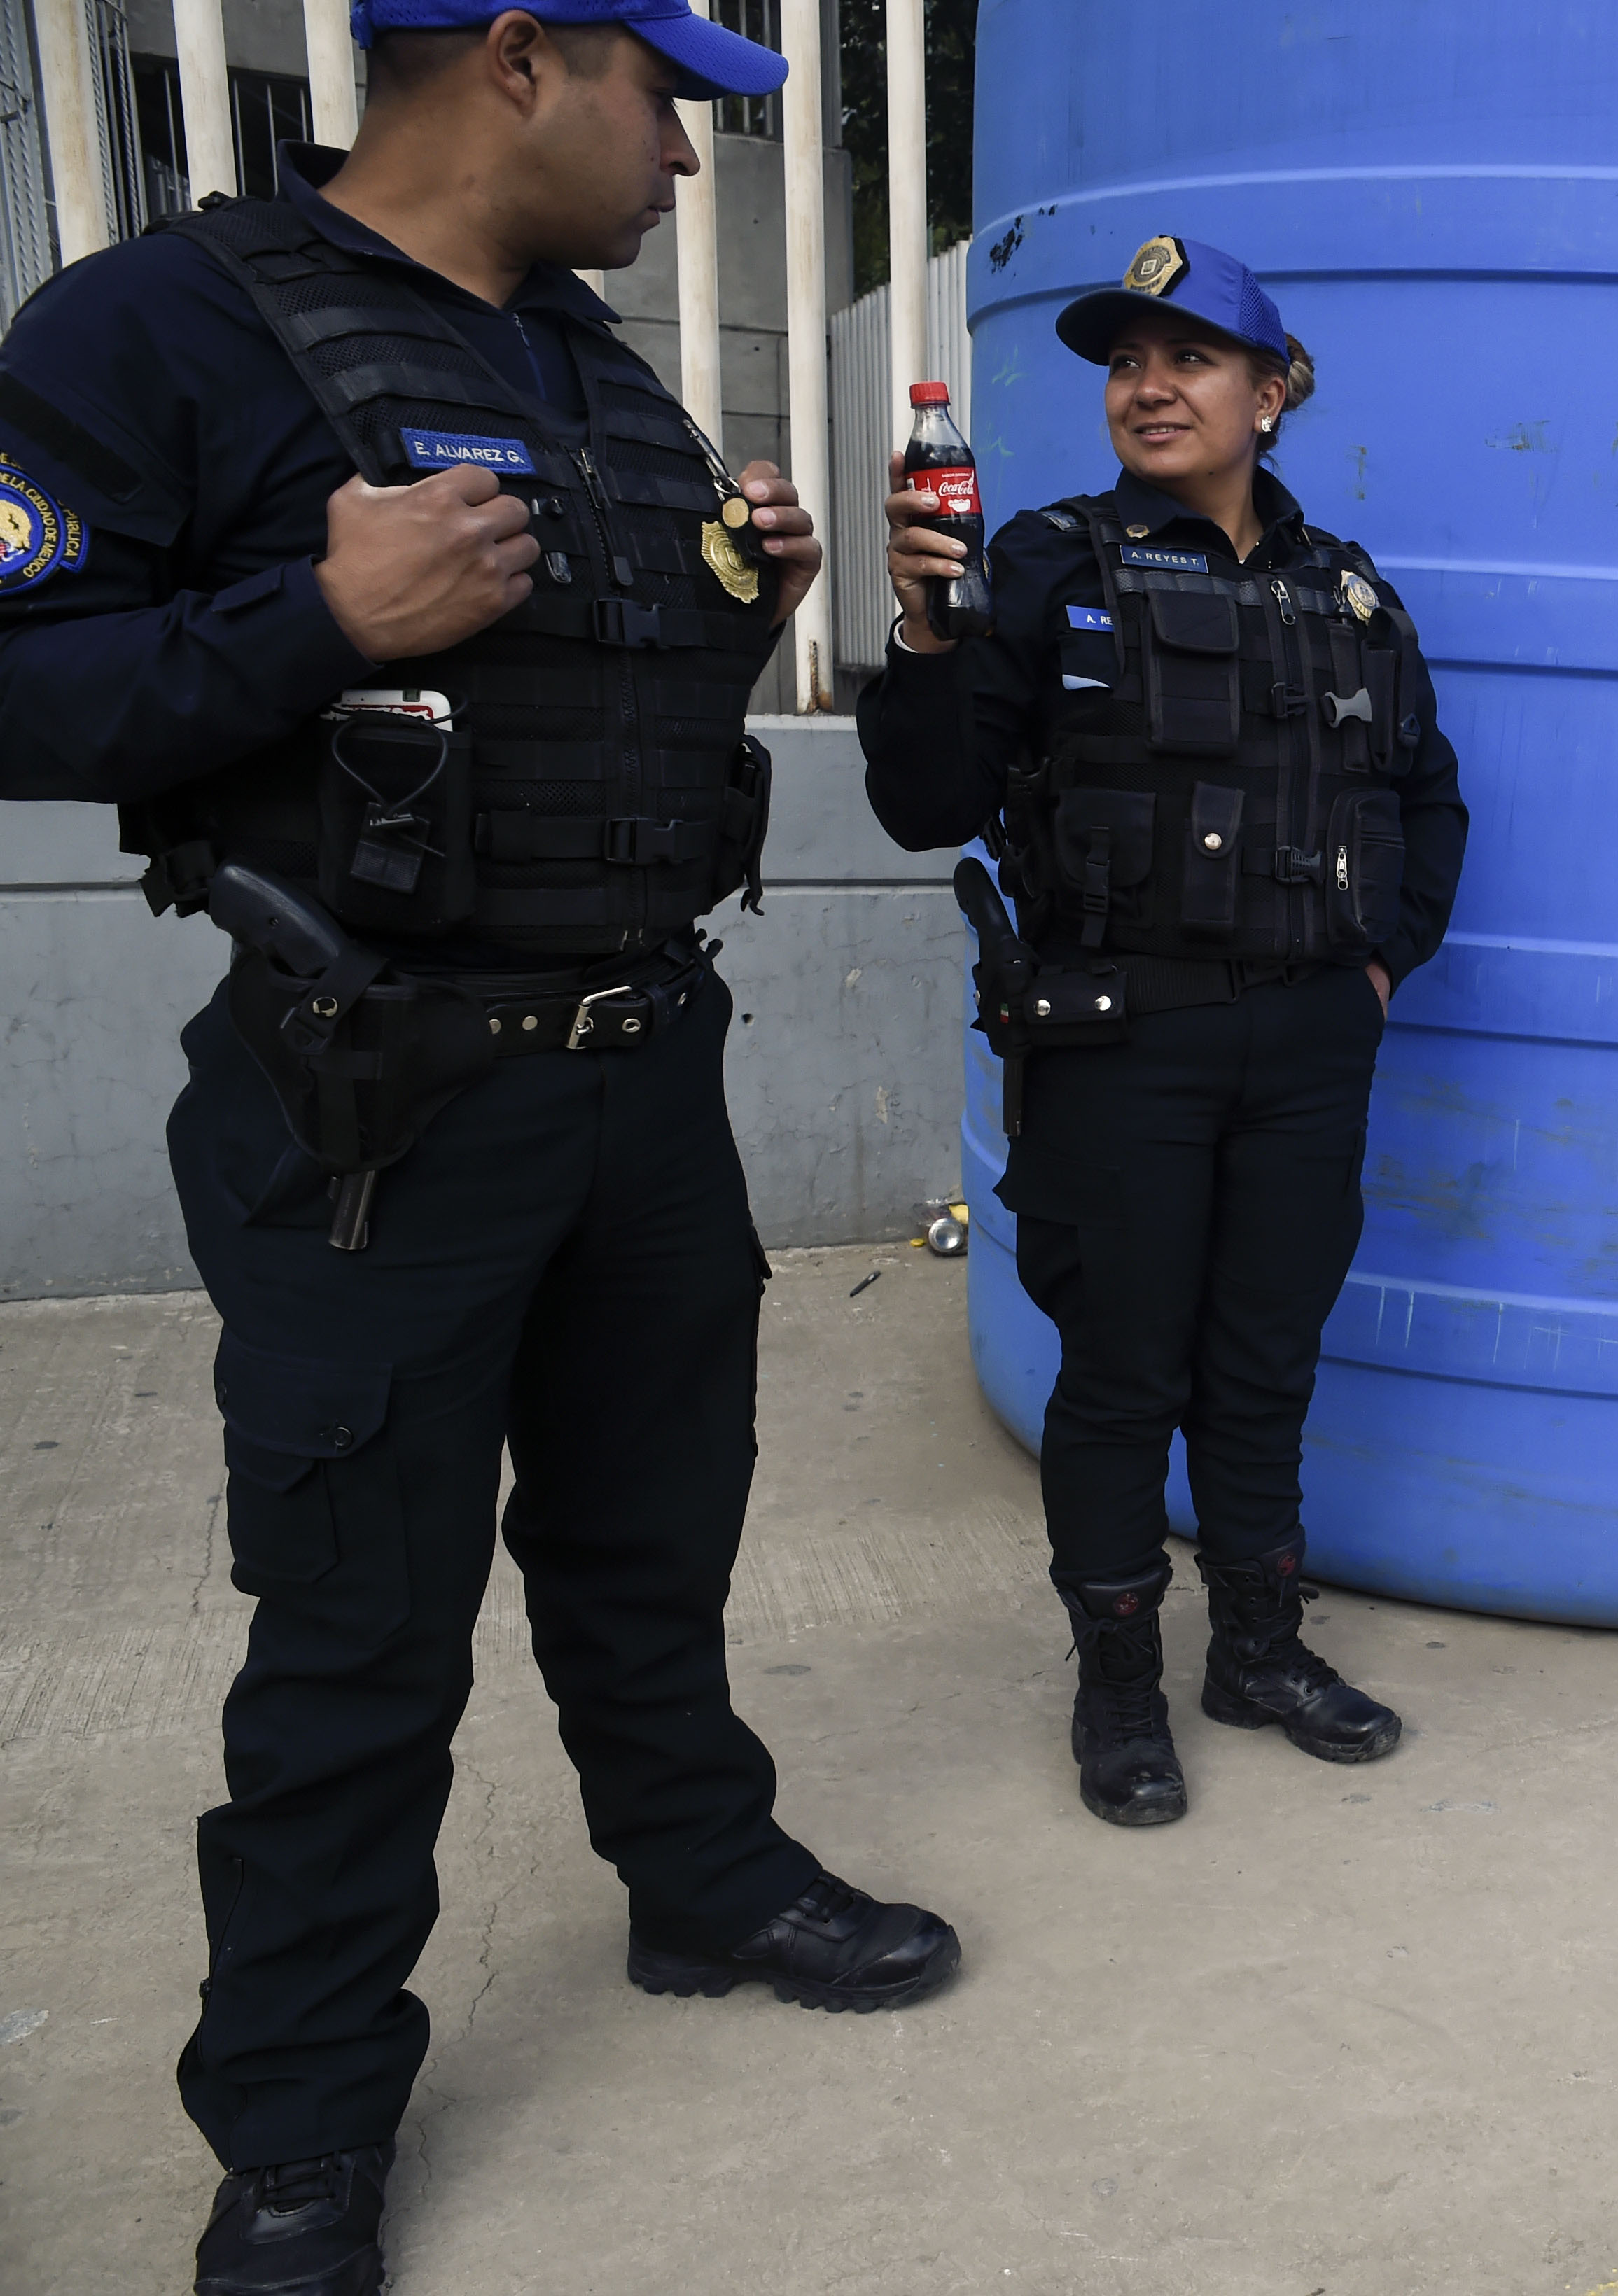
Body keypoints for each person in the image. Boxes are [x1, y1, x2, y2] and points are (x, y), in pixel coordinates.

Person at [0, 7, 963, 2290]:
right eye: (671, 100)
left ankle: (702, 1884)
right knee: (358, 1629)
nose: (693, 160)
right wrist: (314, 611)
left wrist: (751, 608)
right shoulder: (159, 329)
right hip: (380, 1110)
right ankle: (305, 2121)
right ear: (521, 61)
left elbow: (570, 712)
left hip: (645, 1077)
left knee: (654, 1546)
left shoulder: (598, 373)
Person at [859, 234, 1467, 1828]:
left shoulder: (1351, 593)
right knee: (1125, 1376)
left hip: (1307, 1048)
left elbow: (1423, 792)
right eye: (1127, 360)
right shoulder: (1046, 563)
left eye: (1190, 357)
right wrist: (927, 635)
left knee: (1263, 1366)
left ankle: (1256, 1651)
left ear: (1273, 396)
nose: (1147, 384)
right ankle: (1118, 1685)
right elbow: (925, 804)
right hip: (1121, 1045)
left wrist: (1382, 965)